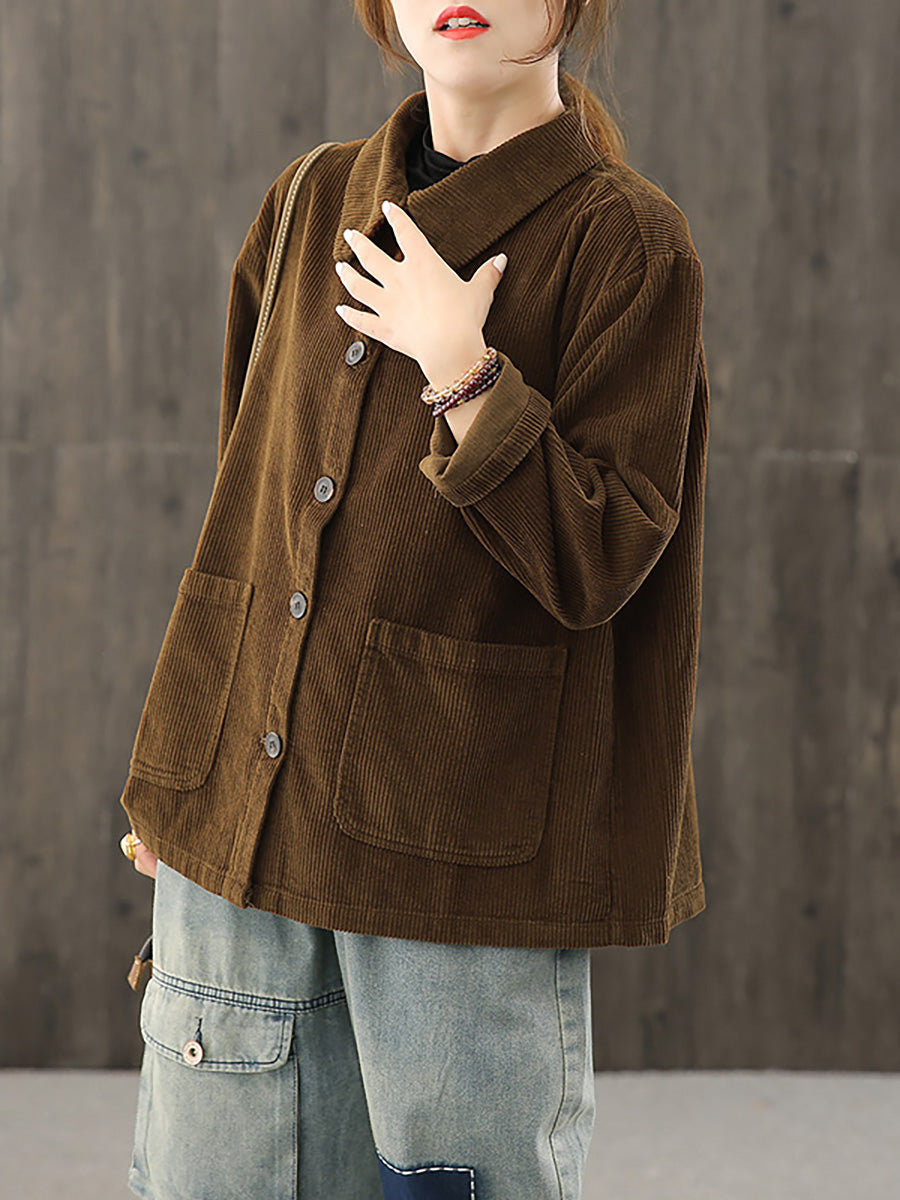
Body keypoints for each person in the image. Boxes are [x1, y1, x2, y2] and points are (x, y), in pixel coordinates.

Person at [120, 2, 710, 1197]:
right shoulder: (306, 203)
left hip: (456, 852)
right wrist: (203, 779)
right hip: (244, 836)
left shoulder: (630, 247)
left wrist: (464, 370)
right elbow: (250, 510)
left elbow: (603, 562)